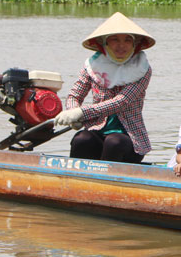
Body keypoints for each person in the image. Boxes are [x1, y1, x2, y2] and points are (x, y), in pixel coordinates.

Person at [54, 12, 154, 163]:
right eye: (115, 40)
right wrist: (72, 111)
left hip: (128, 137)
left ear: (134, 44)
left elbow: (121, 101)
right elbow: (75, 94)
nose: (121, 45)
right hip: (97, 130)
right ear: (105, 43)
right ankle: (76, 181)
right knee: (81, 139)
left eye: (127, 40)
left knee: (114, 142)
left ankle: (107, 184)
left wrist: (81, 112)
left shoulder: (141, 69)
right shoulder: (93, 65)